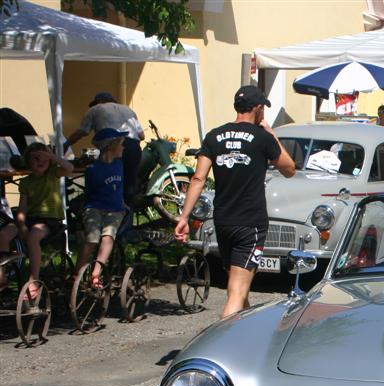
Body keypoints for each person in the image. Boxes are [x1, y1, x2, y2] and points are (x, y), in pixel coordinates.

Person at [174, 85, 296, 319]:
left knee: (238, 287)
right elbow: (290, 168)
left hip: (223, 222)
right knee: (236, 294)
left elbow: (198, 178)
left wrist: (184, 217)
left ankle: (246, 339)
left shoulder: (213, 136)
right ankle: (221, 347)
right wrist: (272, 135)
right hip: (250, 223)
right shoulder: (262, 138)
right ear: (258, 109)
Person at [0, 143, 73, 296]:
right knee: (4, 233)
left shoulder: (53, 174)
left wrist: (52, 156)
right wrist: (21, 225)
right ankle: (2, 277)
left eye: (44, 158)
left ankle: (34, 279)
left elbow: (69, 168)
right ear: (28, 161)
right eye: (35, 158)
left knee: (33, 236)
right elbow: (22, 209)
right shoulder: (25, 182)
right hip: (31, 219)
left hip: (50, 220)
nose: (40, 161)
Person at [65, 92, 144, 205]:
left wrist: (66, 144)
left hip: (113, 148)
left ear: (99, 101)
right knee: (129, 188)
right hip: (133, 148)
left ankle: (110, 215)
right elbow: (141, 136)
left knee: (111, 185)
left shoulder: (95, 109)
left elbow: (82, 131)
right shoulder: (128, 110)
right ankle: (127, 218)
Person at [76, 128, 128, 289]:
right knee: (92, 238)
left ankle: (95, 273)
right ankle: (77, 273)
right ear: (111, 146)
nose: (123, 148)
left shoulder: (120, 164)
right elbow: (89, 193)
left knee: (108, 236)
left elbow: (119, 187)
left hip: (116, 209)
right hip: (95, 208)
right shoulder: (93, 169)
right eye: (121, 144)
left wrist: (122, 202)